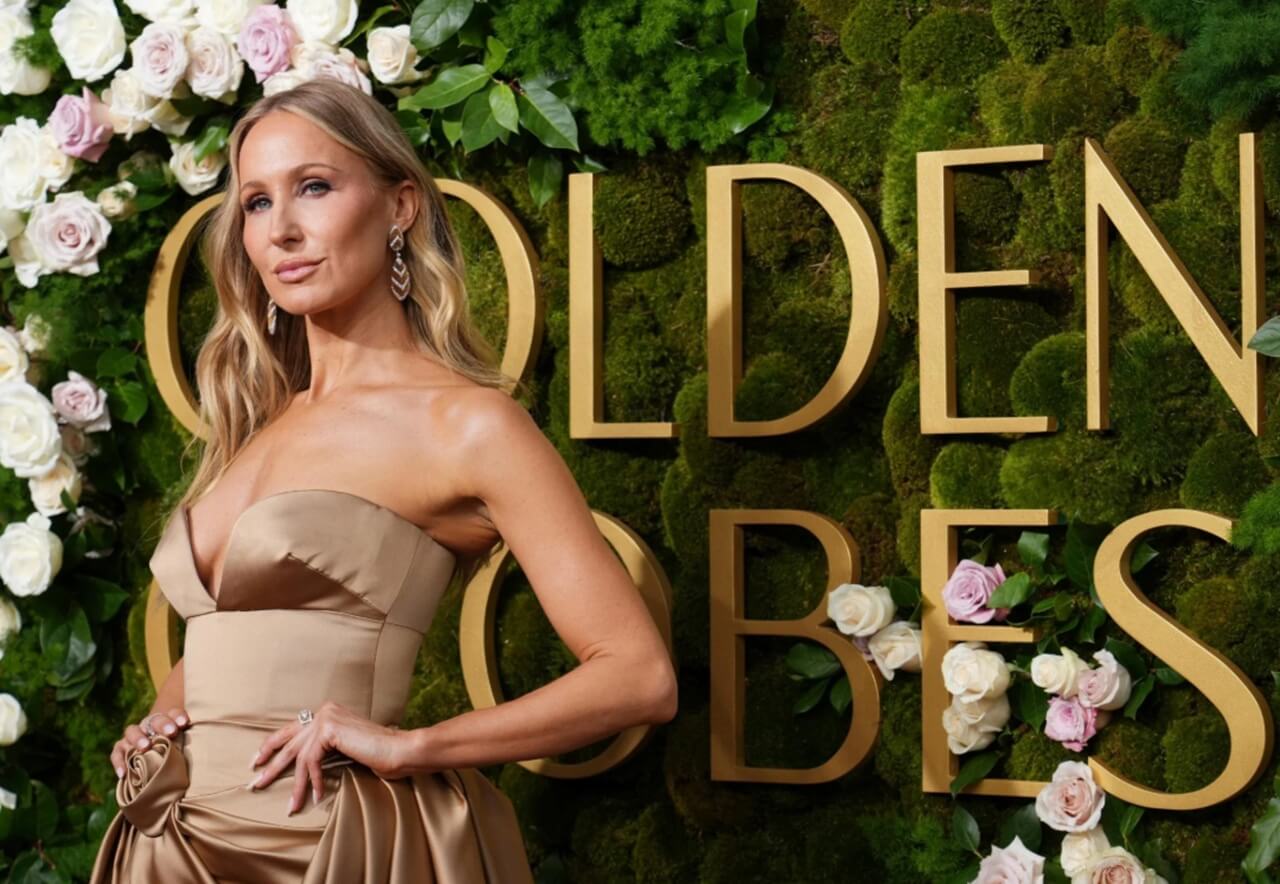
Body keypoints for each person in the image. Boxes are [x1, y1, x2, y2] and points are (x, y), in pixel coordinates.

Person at [89, 77, 678, 883]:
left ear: (400, 206)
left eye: (314, 187)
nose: (282, 229)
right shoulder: (255, 424)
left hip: (328, 847)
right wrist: (162, 719)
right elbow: (243, 630)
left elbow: (639, 675)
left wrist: (415, 747)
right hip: (171, 846)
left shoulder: (469, 425)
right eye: (256, 202)